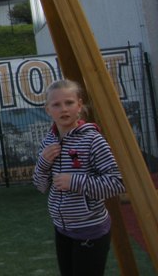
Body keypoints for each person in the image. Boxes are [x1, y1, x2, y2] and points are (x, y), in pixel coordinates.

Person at [32, 79, 125, 276]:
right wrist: (43, 163)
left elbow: (117, 183)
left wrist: (74, 182)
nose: (63, 109)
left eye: (69, 102)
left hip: (90, 230)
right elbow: (40, 186)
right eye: (56, 104)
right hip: (62, 229)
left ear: (79, 105)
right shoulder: (48, 142)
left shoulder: (93, 140)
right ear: (48, 110)